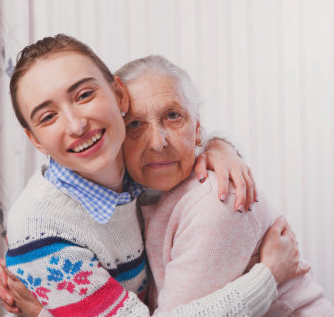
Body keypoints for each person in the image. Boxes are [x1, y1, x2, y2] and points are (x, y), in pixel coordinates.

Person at [0, 34, 304, 316]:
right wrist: (269, 277)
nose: (76, 126)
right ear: (34, 139)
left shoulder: (131, 174)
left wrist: (220, 146)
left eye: (84, 95)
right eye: (48, 117)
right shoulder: (43, 232)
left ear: (118, 95)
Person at [115, 55, 334, 315]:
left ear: (198, 129)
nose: (157, 142)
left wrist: (268, 277)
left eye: (173, 116)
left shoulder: (216, 200)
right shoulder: (133, 195)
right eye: (135, 124)